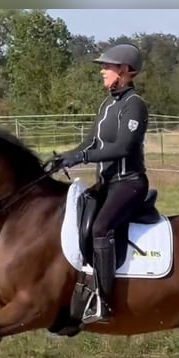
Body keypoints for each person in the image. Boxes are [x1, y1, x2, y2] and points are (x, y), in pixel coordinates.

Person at [55, 42, 150, 324]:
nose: (103, 72)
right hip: (107, 183)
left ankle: (103, 301)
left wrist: (83, 155)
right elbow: (94, 140)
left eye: (107, 67)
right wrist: (68, 156)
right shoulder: (108, 104)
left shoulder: (135, 106)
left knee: (100, 227)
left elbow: (123, 147)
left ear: (123, 70)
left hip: (129, 183)